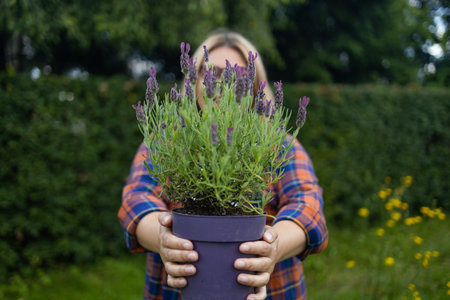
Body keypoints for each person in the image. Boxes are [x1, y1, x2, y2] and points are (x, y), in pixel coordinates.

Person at [118, 30, 328, 300]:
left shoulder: (277, 144)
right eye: (211, 73)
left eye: (239, 74)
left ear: (254, 85)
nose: (222, 84)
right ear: (193, 78)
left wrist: (273, 248)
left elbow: (309, 206)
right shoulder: (165, 141)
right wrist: (162, 238)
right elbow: (136, 199)